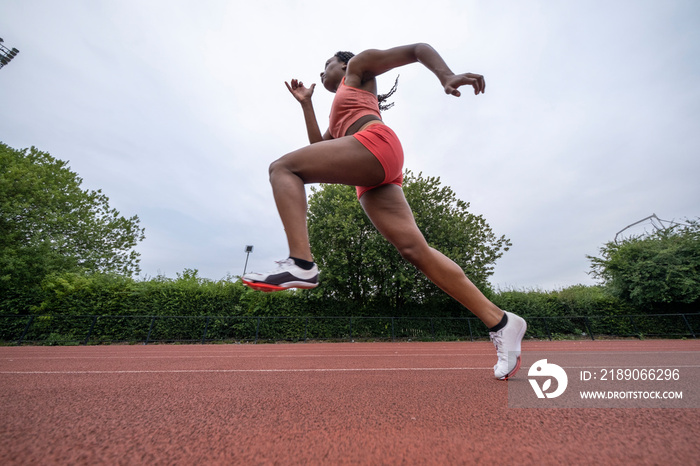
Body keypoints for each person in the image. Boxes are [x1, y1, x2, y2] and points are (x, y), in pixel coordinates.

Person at [242, 43, 527, 380]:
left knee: (281, 169)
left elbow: (419, 49)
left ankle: (301, 263)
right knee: (415, 250)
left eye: (327, 64)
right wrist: (307, 105)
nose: (322, 72)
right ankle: (501, 321)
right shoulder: (338, 114)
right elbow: (320, 150)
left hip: (375, 145)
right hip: (373, 174)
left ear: (344, 64)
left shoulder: (359, 67)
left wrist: (446, 76)